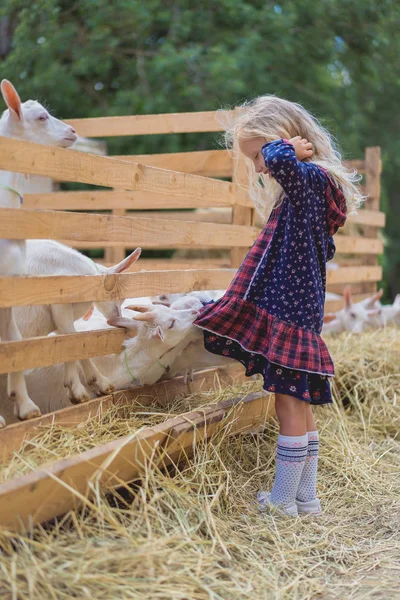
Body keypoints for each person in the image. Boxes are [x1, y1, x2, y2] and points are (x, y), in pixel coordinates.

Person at [194, 96, 362, 516]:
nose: (259, 167)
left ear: (283, 140)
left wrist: (287, 149)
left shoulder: (306, 178)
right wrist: (285, 151)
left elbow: (278, 158)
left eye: (257, 156)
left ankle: (283, 500)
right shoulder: (311, 187)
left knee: (288, 404)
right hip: (297, 311)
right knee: (299, 407)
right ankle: (307, 497)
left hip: (288, 311)